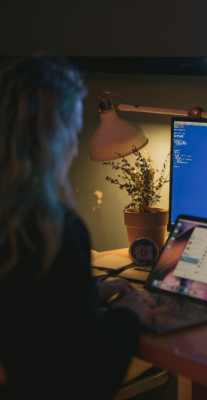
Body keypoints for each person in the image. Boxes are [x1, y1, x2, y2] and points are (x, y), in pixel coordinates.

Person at [0, 55, 163, 399]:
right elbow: (91, 374)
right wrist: (128, 314)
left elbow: (27, 307)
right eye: (74, 133)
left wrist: (85, 294)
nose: (75, 150)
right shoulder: (51, 229)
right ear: (53, 137)